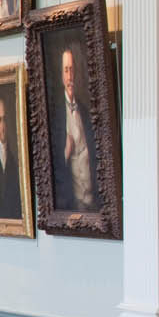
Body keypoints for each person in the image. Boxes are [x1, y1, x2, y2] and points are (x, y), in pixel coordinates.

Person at [54, 47, 96, 211]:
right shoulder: (56, 114)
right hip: (72, 200)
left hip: (92, 198)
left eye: (72, 70)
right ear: (61, 75)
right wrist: (65, 152)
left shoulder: (85, 112)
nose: (70, 76)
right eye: (66, 70)